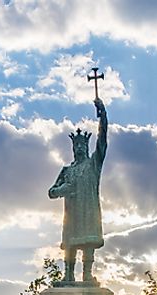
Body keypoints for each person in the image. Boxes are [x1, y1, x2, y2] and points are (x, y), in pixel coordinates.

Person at [49, 97, 108, 284]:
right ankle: (68, 275)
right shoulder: (67, 170)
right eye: (77, 146)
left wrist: (103, 117)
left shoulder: (93, 164)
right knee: (70, 244)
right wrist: (62, 189)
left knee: (87, 241)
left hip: (88, 211)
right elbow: (51, 191)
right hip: (72, 215)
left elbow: (103, 141)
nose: (80, 148)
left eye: (83, 145)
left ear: (87, 147)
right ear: (74, 148)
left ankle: (87, 275)